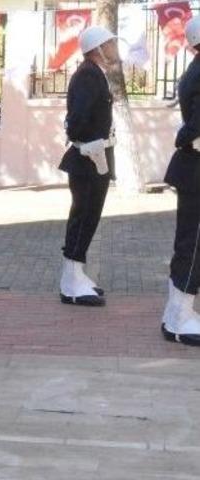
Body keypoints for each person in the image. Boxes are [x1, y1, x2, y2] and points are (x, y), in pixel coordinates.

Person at [57, 25, 119, 307]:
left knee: (89, 217)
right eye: (110, 43)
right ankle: (70, 281)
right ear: (97, 48)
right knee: (83, 217)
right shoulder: (88, 75)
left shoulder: (95, 74)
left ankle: (77, 272)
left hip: (96, 156)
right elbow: (77, 118)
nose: (114, 48)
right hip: (87, 159)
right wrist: (85, 142)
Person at [160, 17, 200, 347]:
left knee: (190, 240)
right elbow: (195, 127)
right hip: (197, 168)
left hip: (192, 166)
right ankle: (179, 317)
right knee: (193, 242)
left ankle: (178, 308)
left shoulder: (195, 69)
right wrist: (185, 139)